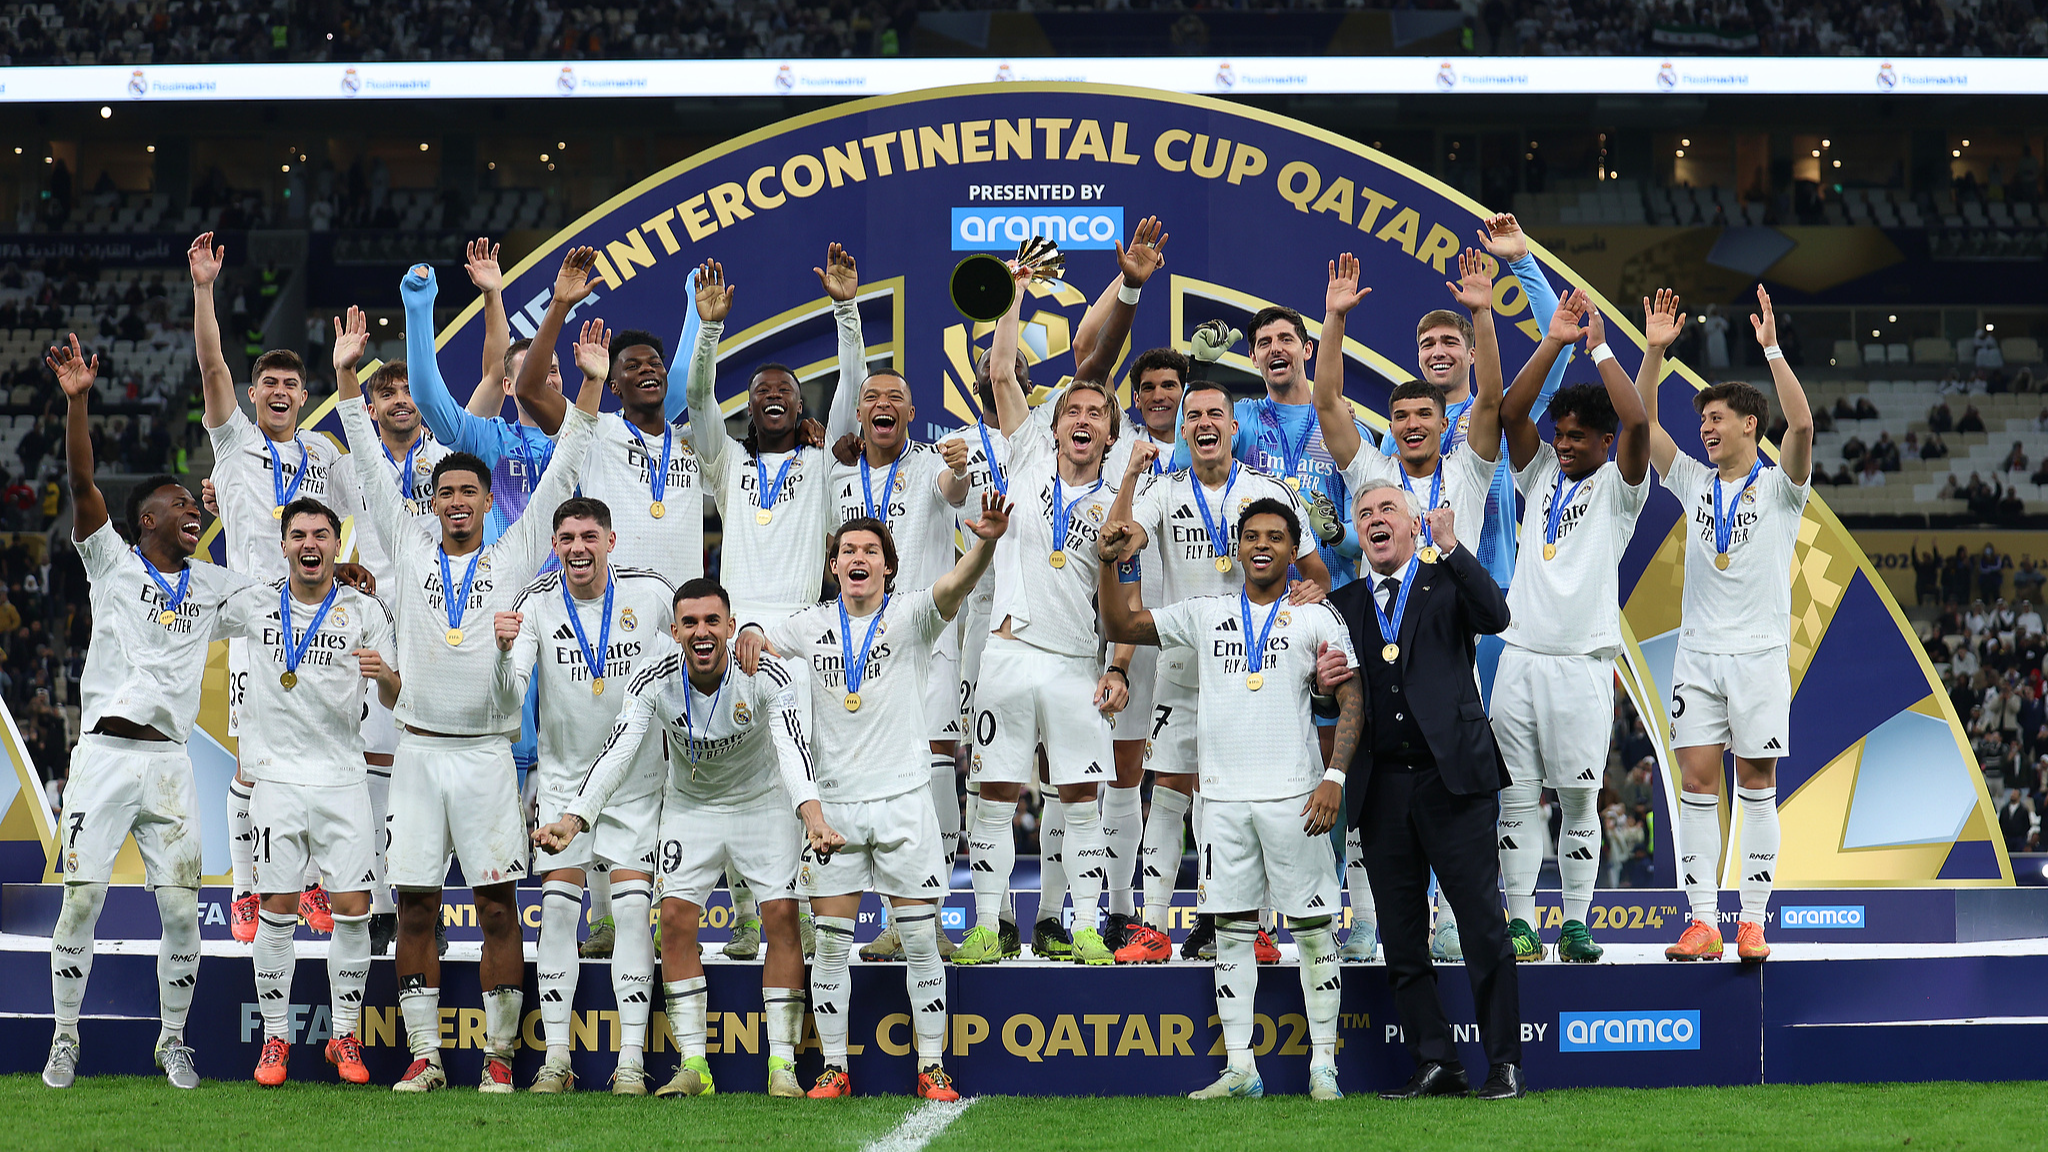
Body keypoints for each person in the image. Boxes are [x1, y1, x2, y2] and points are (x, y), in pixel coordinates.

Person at [334, 290, 603, 1093]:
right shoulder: (408, 546)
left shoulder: (515, 554)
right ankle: (424, 1059)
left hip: (487, 755)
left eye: (469, 495)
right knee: (414, 907)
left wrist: (587, 387)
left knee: (495, 911)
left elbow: (563, 471)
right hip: (416, 752)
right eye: (445, 493)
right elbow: (369, 467)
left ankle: (495, 1060)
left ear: (488, 505)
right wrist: (347, 380)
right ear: (434, 502)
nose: (455, 503)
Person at [739, 498, 1012, 1100]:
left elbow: (956, 583)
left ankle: (932, 1066)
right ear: (834, 566)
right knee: (832, 947)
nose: (857, 559)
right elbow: (757, 634)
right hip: (833, 807)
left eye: (869, 551)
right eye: (847, 551)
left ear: (888, 566)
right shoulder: (811, 624)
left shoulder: (913, 614)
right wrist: (752, 632)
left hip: (903, 800)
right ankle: (834, 1068)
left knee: (919, 942)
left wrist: (985, 544)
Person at [42, 334, 257, 1090]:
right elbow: (81, 480)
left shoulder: (213, 589)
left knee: (178, 911)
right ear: (146, 522)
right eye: (179, 504)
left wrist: (340, 573)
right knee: (85, 899)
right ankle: (64, 1036)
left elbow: (283, 602)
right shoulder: (111, 562)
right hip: (102, 757)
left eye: (196, 504)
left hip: (168, 763)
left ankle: (174, 1041)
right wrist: (78, 402)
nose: (193, 509)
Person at [533, 577, 841, 1099]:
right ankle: (694, 1063)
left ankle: (782, 1066)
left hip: (762, 805)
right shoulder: (652, 678)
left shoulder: (766, 673)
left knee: (783, 918)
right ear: (674, 630)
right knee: (673, 921)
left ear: (729, 625)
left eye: (712, 621)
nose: (702, 632)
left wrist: (811, 817)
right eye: (690, 623)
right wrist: (574, 819)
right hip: (690, 806)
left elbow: (793, 747)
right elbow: (619, 750)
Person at [1097, 498, 1362, 1100]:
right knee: (1235, 934)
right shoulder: (1205, 611)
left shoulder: (1318, 617)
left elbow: (1352, 700)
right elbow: (1121, 626)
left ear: (1294, 550)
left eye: (1275, 536)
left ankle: (1324, 1064)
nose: (1261, 544)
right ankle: (1241, 1067)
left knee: (1316, 930)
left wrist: (1334, 778)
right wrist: (1111, 565)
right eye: (1251, 536)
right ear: (1236, 548)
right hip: (1219, 801)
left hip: (1297, 798)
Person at [1082, 384, 1331, 966]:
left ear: (1234, 427)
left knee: (1250, 799)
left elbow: (1316, 571)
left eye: (1214, 413)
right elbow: (1124, 539)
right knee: (1168, 791)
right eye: (1192, 416)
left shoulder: (1268, 492)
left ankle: (1247, 924)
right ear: (1186, 431)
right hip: (1182, 666)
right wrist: (1126, 487)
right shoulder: (1163, 490)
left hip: (1256, 671)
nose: (1201, 422)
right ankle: (1152, 926)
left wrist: (1311, 588)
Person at [510, 249, 709, 959]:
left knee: (696, 764)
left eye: (654, 362)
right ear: (614, 381)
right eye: (629, 366)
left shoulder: (694, 441)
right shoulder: (593, 433)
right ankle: (604, 914)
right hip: (610, 619)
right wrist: (560, 308)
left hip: (686, 627)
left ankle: (733, 906)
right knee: (607, 758)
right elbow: (529, 385)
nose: (645, 370)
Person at [1319, 249, 1502, 963]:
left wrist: (1482, 314)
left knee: (1451, 785)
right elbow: (1330, 401)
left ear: (1440, 418)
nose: (1412, 424)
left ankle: (1456, 919)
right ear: (1390, 427)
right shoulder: (1371, 472)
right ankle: (1365, 921)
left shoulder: (1467, 468)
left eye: (1423, 413)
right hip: (1378, 647)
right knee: (1372, 782)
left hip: (1451, 650)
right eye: (1400, 417)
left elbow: (1488, 402)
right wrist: (1333, 318)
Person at [1316, 487, 1523, 1100]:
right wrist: (1323, 689)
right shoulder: (1341, 604)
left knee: (1484, 926)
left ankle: (1504, 1064)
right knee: (1402, 937)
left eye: (1388, 512)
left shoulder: (1446, 578)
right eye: (1365, 515)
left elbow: (1497, 617)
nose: (1376, 521)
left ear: (1414, 524)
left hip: (1453, 779)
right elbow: (1327, 697)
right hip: (1382, 789)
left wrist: (1453, 546)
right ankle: (1437, 1063)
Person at [190, 231, 361, 944]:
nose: (281, 392)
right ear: (255, 395)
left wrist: (358, 568)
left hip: (320, 616)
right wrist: (204, 288)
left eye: (292, 384)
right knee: (253, 761)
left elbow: (368, 509)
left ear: (305, 395)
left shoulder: (325, 453)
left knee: (322, 752)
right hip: (255, 613)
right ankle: (247, 889)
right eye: (269, 384)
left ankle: (317, 883)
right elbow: (211, 364)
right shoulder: (234, 441)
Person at [1636, 284, 1814, 964]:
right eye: (1702, 419)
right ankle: (1703, 923)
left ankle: (1753, 921)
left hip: (1760, 654)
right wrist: (1653, 353)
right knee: (1698, 785)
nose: (1705, 428)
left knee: (1758, 784)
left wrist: (1770, 346)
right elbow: (1645, 428)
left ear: (1749, 424)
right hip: (1699, 656)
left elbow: (1800, 427)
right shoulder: (1689, 479)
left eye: (1716, 418)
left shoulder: (1780, 486)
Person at [965, 257, 1134, 966]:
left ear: (1109, 431)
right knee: (994, 789)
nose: (1083, 421)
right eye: (1072, 412)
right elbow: (1004, 372)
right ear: (1053, 424)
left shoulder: (1124, 495)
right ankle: (984, 923)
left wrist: (1119, 666)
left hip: (1074, 661)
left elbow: (1128, 588)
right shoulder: (1026, 453)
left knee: (1081, 796)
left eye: (1096, 414)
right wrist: (1013, 297)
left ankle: (1085, 925)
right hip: (1006, 651)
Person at [818, 243, 972, 962]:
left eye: (894, 400)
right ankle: (879, 914)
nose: (881, 406)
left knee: (935, 757)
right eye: (871, 400)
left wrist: (964, 474)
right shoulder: (839, 470)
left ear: (914, 413)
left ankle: (929, 913)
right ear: (858, 413)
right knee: (867, 770)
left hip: (925, 638)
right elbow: (851, 375)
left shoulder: (932, 465)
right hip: (854, 646)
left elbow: (957, 494)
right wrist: (847, 310)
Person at [1492, 288, 1651, 965]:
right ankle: (1523, 922)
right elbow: (1509, 412)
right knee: (1516, 799)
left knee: (1580, 801)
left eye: (1577, 437)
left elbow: (1639, 423)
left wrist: (1602, 349)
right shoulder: (1541, 477)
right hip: (1519, 656)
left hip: (1584, 664)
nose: (1562, 445)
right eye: (1560, 436)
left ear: (1604, 442)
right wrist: (1554, 341)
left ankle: (1578, 924)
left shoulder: (1620, 490)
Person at [218, 497, 398, 1088]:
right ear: (284, 543)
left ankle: (342, 1034)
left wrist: (387, 677)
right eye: (299, 535)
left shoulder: (363, 610)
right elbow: (190, 603)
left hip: (344, 780)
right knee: (278, 912)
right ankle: (276, 1040)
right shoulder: (255, 603)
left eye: (321, 533)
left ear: (334, 541)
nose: (310, 544)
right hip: (278, 783)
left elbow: (396, 698)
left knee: (352, 912)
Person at [500, 497, 676, 1094]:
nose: (577, 547)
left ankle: (630, 1063)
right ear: (555, 545)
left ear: (611, 540)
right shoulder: (535, 603)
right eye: (567, 537)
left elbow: (692, 659)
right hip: (561, 783)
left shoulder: (652, 593)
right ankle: (555, 1061)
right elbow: (514, 686)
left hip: (635, 786)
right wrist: (504, 658)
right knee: (555, 913)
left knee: (629, 912)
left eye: (588, 536)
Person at [684, 257, 831, 961]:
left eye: (786, 390)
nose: (773, 395)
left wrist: (847, 312)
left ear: (803, 410)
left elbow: (857, 390)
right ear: (750, 407)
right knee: (735, 775)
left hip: (799, 636)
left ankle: (794, 911)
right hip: (734, 635)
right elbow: (696, 395)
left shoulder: (822, 467)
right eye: (761, 390)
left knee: (795, 780)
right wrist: (710, 331)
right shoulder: (727, 467)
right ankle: (747, 915)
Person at [349, 358, 454, 955]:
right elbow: (299, 513)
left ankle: (425, 904)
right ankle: (387, 907)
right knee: (375, 768)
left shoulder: (445, 458)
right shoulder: (354, 462)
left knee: (427, 766)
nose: (399, 402)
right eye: (385, 394)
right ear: (371, 407)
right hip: (372, 617)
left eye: (408, 392)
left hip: (437, 614)